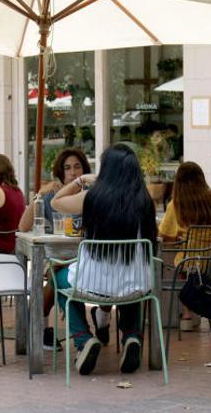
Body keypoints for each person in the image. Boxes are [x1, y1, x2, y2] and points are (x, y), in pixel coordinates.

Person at [50, 144, 157, 376]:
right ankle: (131, 335)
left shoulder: (92, 197)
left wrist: (81, 181)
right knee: (131, 284)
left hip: (94, 283)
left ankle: (83, 339)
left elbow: (55, 202)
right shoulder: (145, 201)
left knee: (57, 278)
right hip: (134, 284)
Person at [17, 147, 91, 350]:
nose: (73, 173)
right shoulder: (52, 197)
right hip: (62, 257)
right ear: (61, 172)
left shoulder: (92, 195)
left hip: (90, 258)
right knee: (55, 268)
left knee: (55, 271)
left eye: (77, 167)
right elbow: (23, 226)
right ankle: (84, 332)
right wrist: (40, 194)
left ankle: (42, 325)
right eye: (67, 168)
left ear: (85, 169)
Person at [158, 161, 211, 331]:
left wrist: (183, 236)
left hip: (189, 265)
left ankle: (186, 315)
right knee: (205, 265)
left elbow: (166, 236)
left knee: (183, 261)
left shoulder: (176, 204)